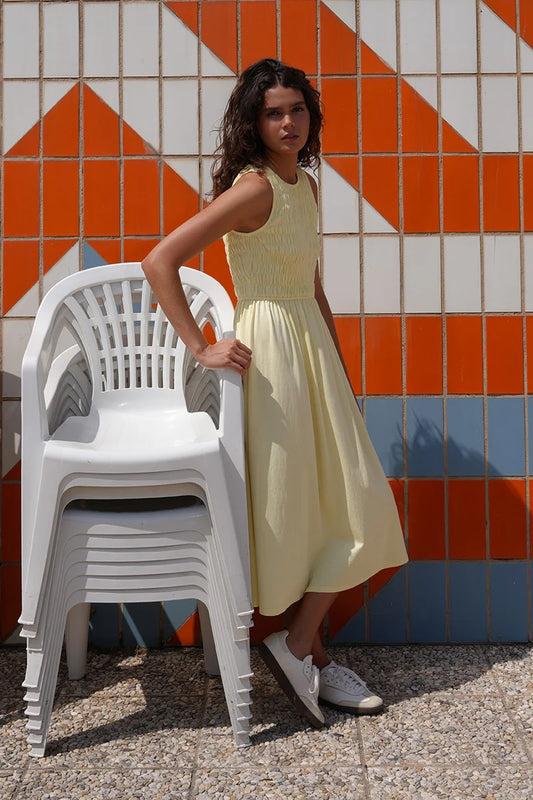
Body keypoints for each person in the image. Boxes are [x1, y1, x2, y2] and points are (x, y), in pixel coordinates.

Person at [142, 58, 408, 729]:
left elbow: (315, 291)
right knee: (308, 506)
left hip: (310, 348)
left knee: (344, 499)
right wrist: (200, 345)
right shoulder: (253, 188)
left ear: (310, 115)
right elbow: (159, 260)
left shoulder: (306, 185)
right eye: (272, 112)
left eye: (296, 109)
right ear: (252, 123)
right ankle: (296, 647)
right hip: (272, 355)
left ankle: (304, 652)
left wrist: (342, 375)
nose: (287, 122)